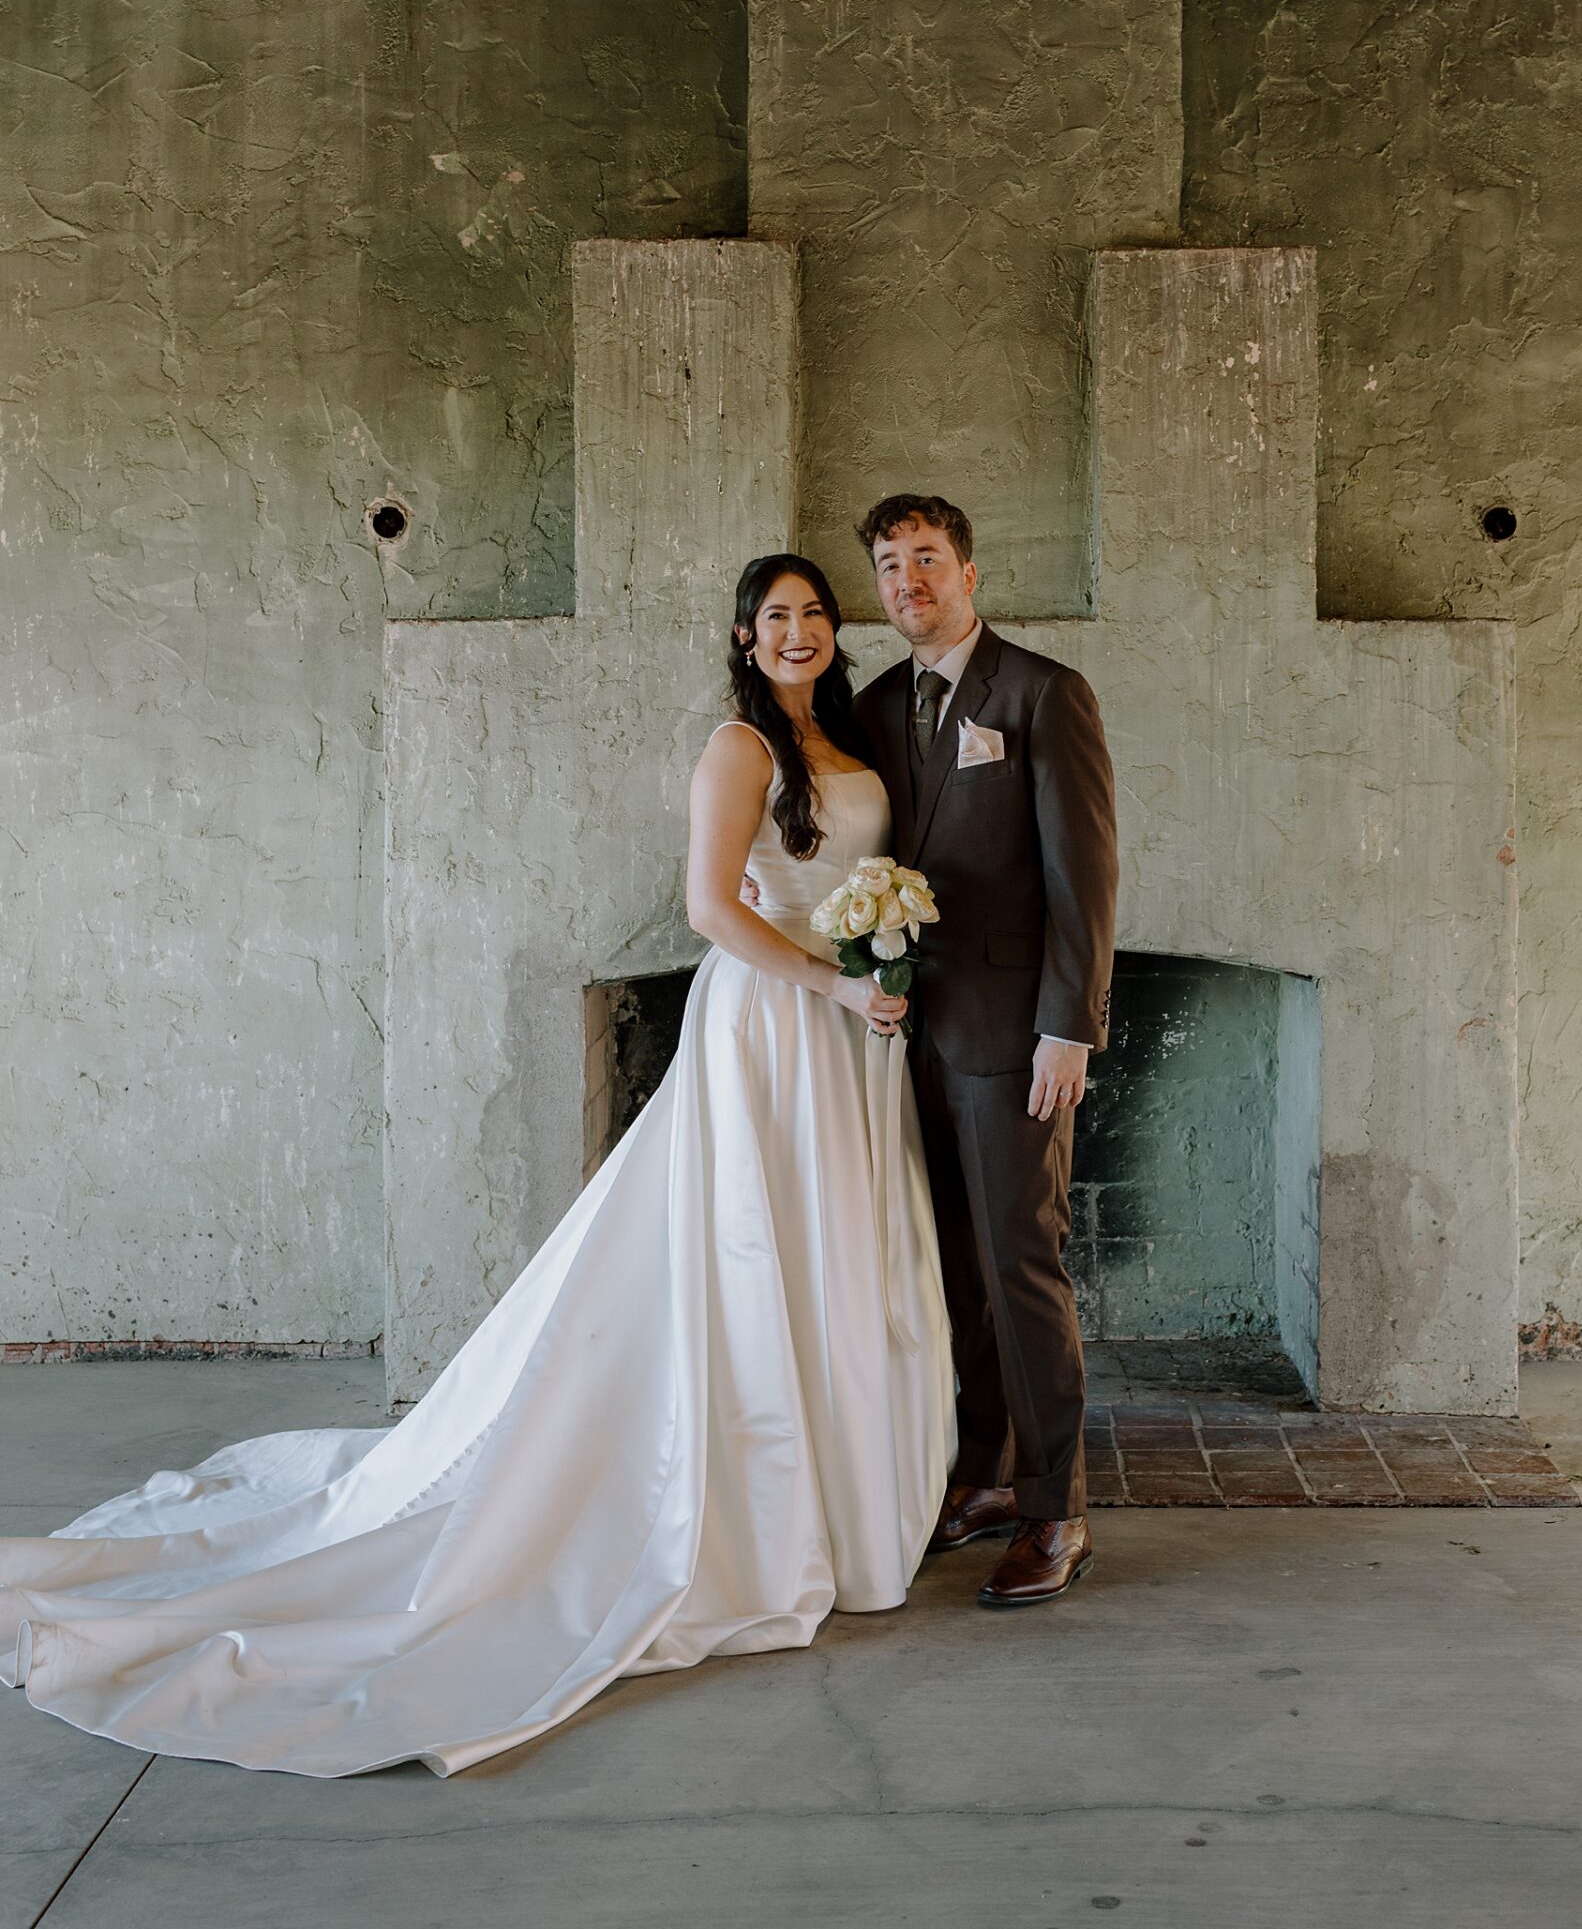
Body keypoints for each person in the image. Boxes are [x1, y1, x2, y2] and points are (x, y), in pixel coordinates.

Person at [0, 556, 954, 1778]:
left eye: (817, 613)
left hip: (850, 1035)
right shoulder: (738, 745)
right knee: (750, 1247)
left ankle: (846, 1491)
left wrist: (879, 964)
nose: (801, 631)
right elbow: (713, 907)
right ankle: (751, 1501)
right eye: (778, 617)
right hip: (772, 1022)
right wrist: (832, 979)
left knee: (838, 1246)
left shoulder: (857, 733)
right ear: (744, 634)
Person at [852, 495, 1118, 1607]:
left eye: (927, 558)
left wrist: (1070, 1026)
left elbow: (1085, 877)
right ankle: (986, 1477)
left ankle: (1058, 1508)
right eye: (888, 563)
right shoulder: (869, 708)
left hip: (1017, 1040)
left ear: (969, 569)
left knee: (1022, 1266)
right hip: (910, 1039)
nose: (908, 579)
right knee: (951, 1269)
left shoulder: (1044, 691)